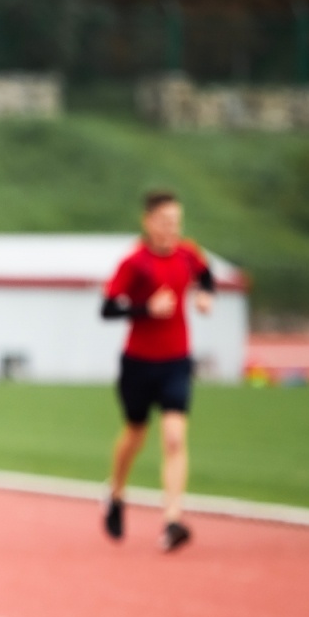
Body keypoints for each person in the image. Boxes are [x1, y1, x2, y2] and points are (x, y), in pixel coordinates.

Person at [100, 189, 214, 552]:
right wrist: (145, 309)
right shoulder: (134, 263)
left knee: (175, 437)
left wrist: (204, 294)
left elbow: (205, 275)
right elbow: (107, 310)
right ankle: (115, 492)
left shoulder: (188, 253)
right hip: (137, 362)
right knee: (135, 433)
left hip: (176, 360)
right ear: (148, 222)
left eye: (176, 223)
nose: (171, 229)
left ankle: (172, 519)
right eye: (165, 222)